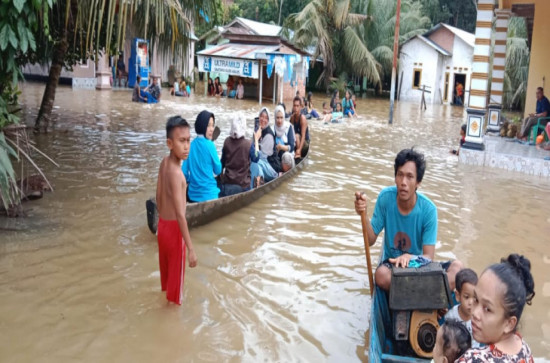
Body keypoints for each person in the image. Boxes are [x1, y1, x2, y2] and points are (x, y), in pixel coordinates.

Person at [354, 148, 463, 291]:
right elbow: (370, 241)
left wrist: (410, 258)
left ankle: (413, 292)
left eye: (410, 177)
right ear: (395, 178)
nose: (403, 182)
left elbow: (428, 257)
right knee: (381, 275)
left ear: (418, 182)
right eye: (400, 175)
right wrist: (364, 214)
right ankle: (427, 292)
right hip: (393, 265)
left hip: (418, 266)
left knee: (458, 268)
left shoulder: (429, 210)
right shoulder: (385, 198)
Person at [457, 254, 535, 362]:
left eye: (487, 309)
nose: (475, 313)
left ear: (509, 323)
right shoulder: (523, 348)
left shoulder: (473, 359)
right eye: (476, 299)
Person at [155, 116, 198, 305]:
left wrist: (160, 225)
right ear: (170, 143)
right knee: (175, 296)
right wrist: (191, 248)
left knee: (166, 283)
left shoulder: (164, 163)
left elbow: (157, 196)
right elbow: (181, 215)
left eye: (189, 140)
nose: (187, 146)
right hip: (174, 233)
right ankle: (169, 325)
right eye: (182, 141)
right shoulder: (178, 174)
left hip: (162, 228)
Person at [181, 110, 222, 202]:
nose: (212, 129)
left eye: (212, 125)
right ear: (202, 126)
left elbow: (183, 172)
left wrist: (190, 181)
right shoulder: (210, 145)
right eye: (208, 125)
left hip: (193, 196)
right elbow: (218, 170)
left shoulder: (190, 146)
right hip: (210, 195)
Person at [445, 268, 481, 348]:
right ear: (458, 296)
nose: (471, 302)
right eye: (467, 297)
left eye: (474, 298)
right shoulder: (451, 317)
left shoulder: (477, 317)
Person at [220, 113, 251, 197]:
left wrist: (221, 178)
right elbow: (256, 157)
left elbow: (221, 164)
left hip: (227, 183)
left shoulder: (227, 141)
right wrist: (256, 140)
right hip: (242, 186)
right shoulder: (248, 144)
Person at [250, 108, 279, 188]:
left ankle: (258, 183)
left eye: (266, 118)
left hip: (272, 169)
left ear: (268, 120)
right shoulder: (258, 130)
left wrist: (256, 139)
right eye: (261, 117)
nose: (263, 120)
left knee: (255, 162)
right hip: (263, 164)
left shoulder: (269, 135)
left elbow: (259, 157)